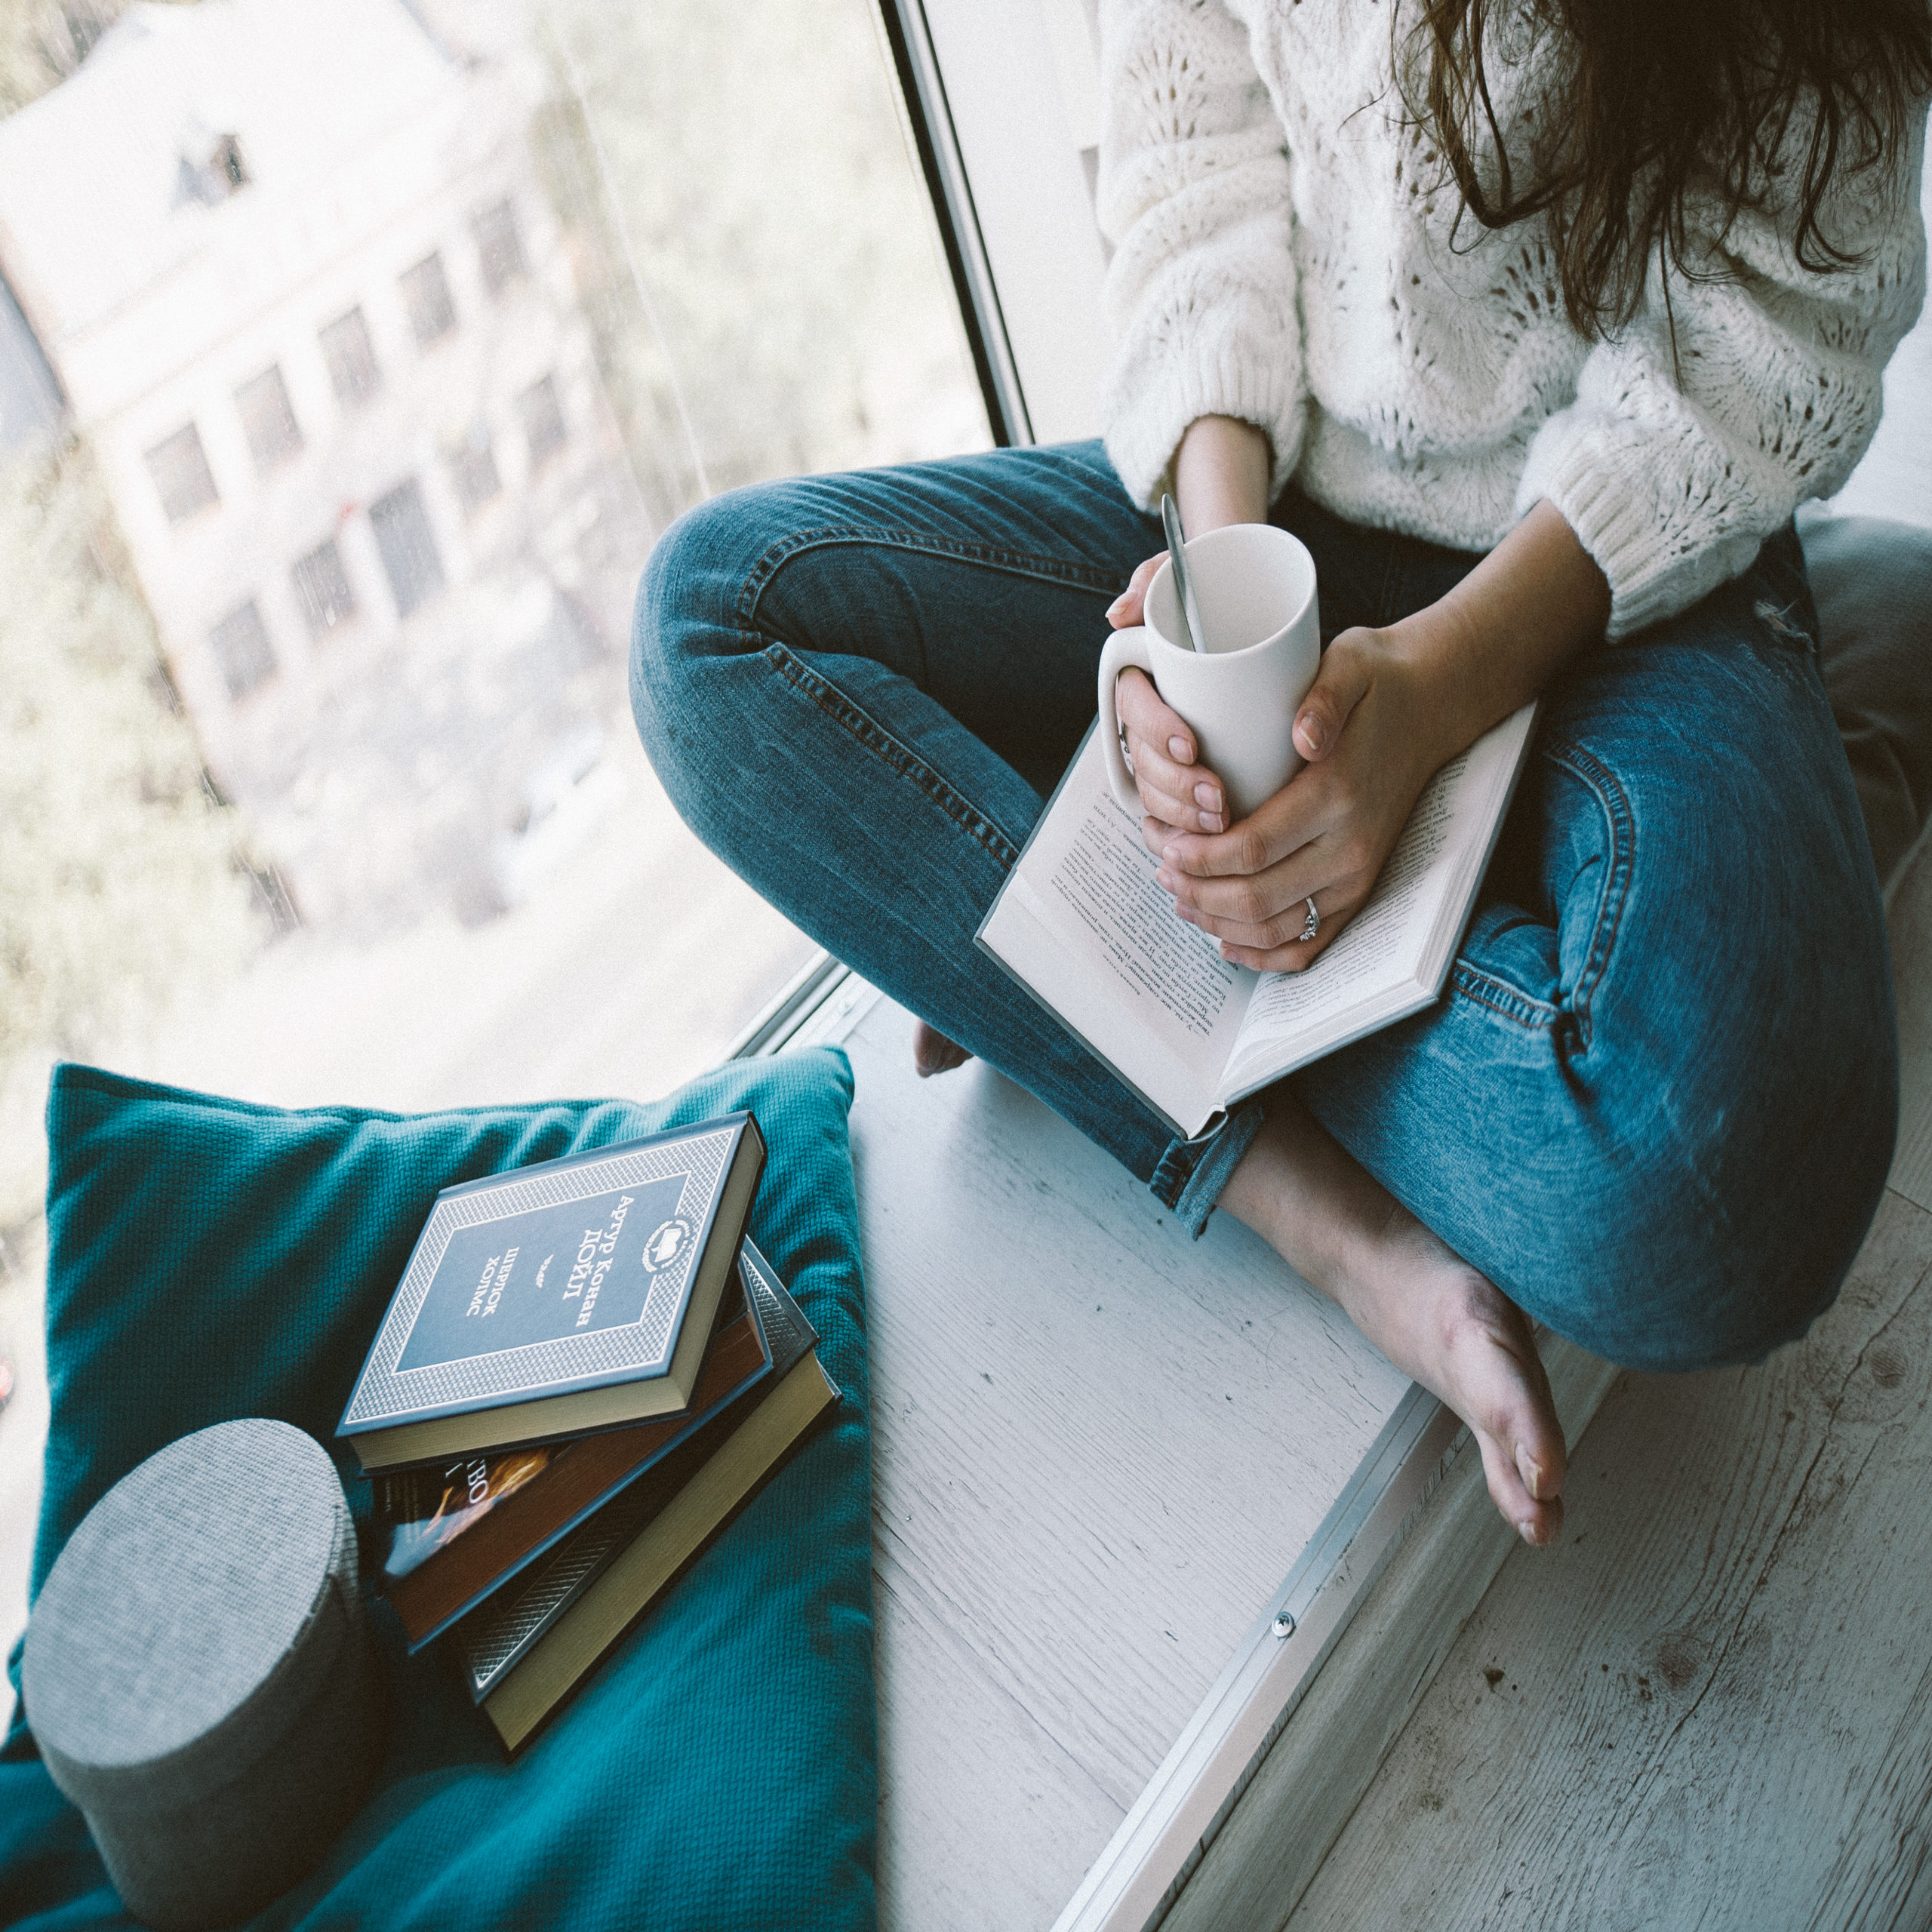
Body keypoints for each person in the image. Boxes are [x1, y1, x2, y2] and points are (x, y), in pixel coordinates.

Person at [632, 0, 1932, 1544]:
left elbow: (1751, 347)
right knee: (709, 624)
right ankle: (1317, 1214)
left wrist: (1434, 691)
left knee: (1719, 1199)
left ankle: (1091, 949)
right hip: (1281, 494)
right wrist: (1214, 612)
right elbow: (1191, 156)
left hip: (1620, 565)